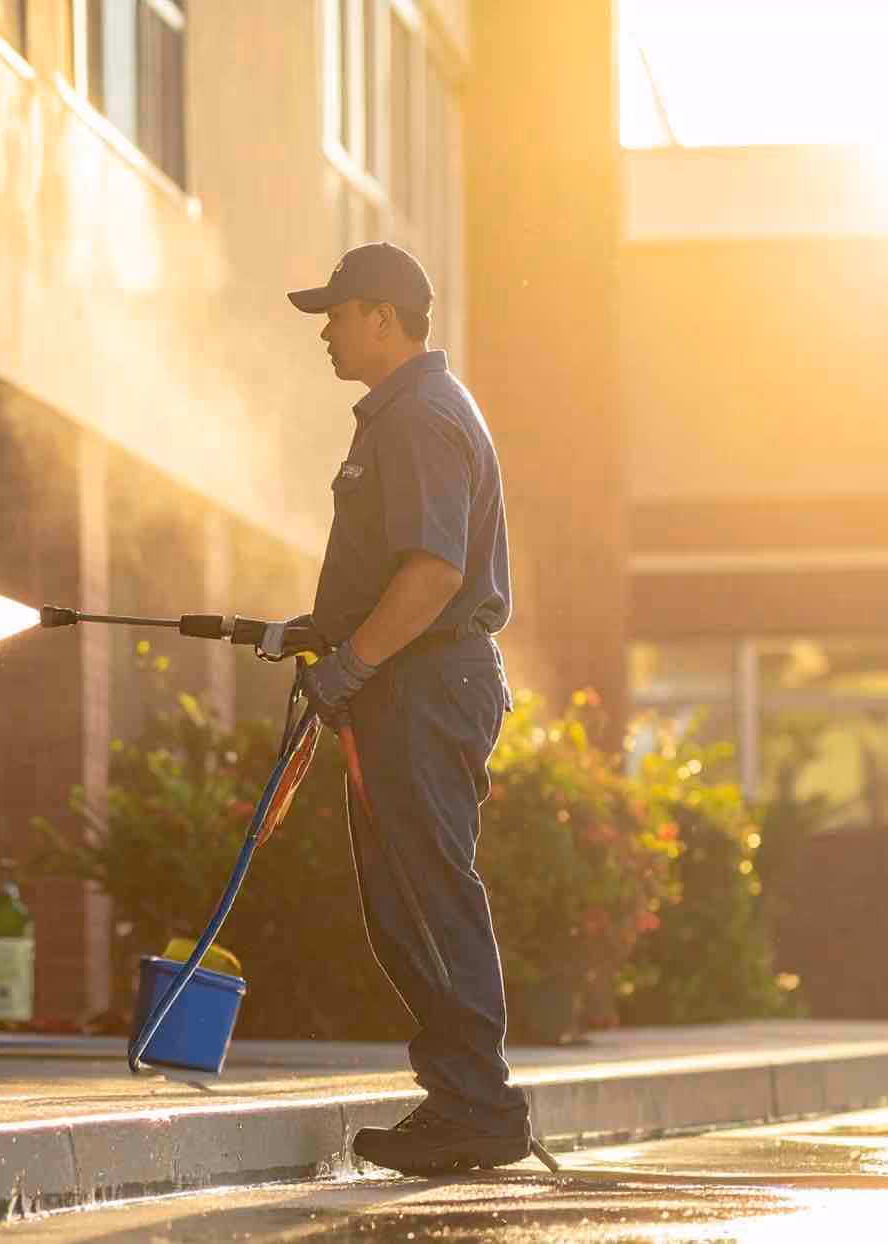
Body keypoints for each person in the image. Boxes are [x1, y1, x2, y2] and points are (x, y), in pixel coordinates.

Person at [287, 242, 532, 1174]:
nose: (327, 329)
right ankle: (464, 1100)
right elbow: (405, 569)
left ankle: (477, 1108)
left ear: (384, 317)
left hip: (425, 687)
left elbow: (433, 571)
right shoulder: (410, 411)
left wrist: (350, 662)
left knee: (426, 899)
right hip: (414, 679)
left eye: (339, 312)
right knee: (406, 902)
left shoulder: (421, 416)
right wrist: (321, 629)